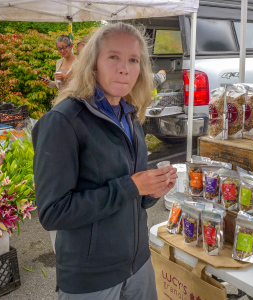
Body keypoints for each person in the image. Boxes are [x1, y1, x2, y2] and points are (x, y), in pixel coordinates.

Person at [32, 23, 177, 299]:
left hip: (139, 265)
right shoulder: (63, 121)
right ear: (93, 63)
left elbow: (132, 193)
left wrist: (150, 192)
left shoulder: (130, 115)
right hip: (91, 279)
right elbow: (53, 213)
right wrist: (131, 187)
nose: (124, 68)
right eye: (113, 57)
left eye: (133, 60)